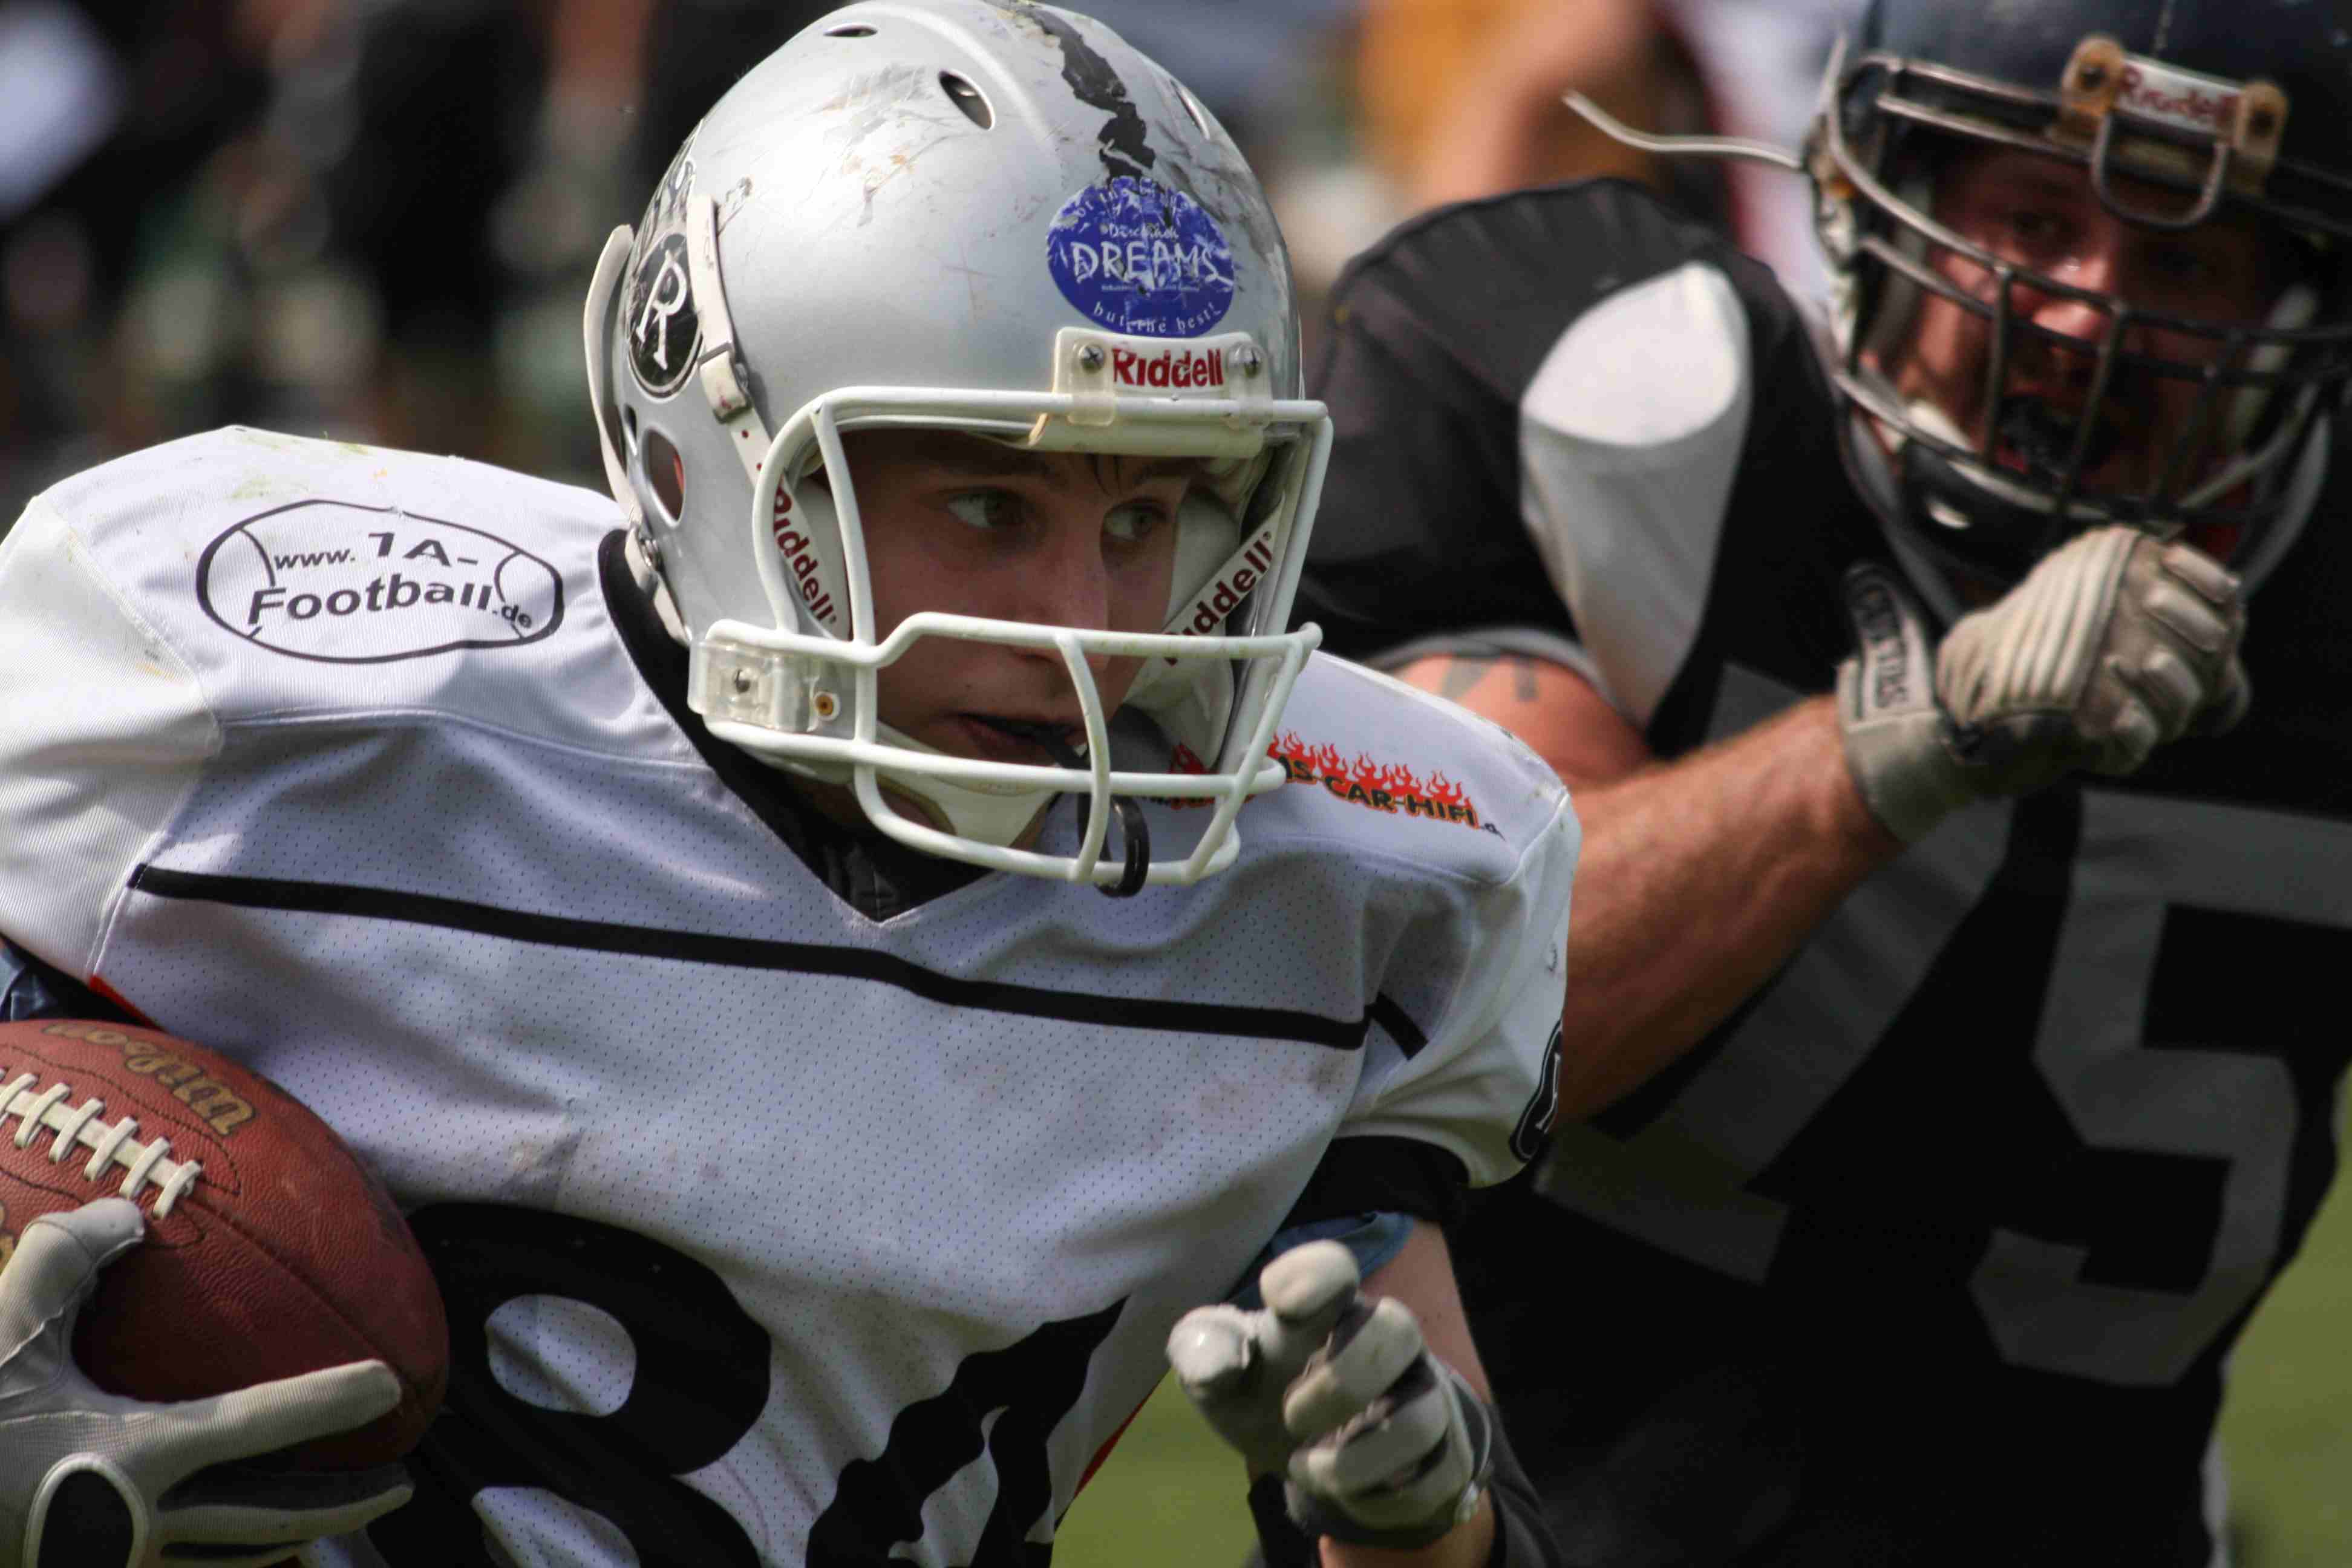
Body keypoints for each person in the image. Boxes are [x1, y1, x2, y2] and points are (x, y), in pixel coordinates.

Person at [0, 4, 1581, 1566]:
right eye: (987, 506)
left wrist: (1420, 1524)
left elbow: (1398, 1465)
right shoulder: (266, 698)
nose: (1084, 631)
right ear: (711, 447)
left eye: (1145, 518)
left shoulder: (1351, 884)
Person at [1293, 0, 2352, 1561]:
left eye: (2186, 261)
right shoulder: (1631, 407)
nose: (2091, 315)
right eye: (2033, 221)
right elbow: (1439, 996)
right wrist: (1906, 742)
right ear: (1872, 190)